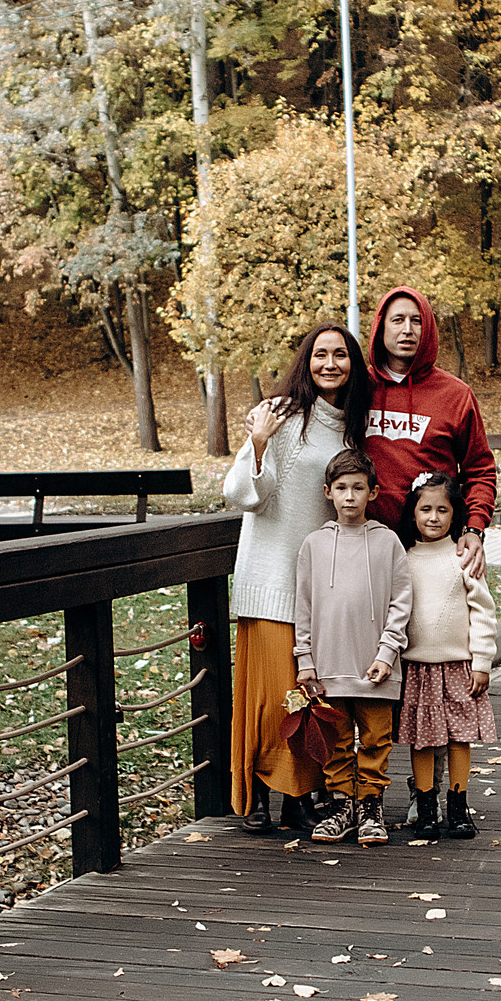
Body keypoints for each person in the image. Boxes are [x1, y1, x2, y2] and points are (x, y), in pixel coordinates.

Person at [221, 323, 369, 833]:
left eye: (341, 355)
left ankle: (299, 796)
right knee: (270, 697)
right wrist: (258, 444)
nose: (330, 364)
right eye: (320, 354)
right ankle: (259, 793)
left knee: (311, 696)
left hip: (322, 584)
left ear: (354, 364)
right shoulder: (281, 416)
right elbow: (243, 494)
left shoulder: (351, 426)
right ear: (306, 361)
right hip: (271, 579)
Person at [293, 449, 412, 846]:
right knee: (338, 740)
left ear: (373, 493)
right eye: (341, 488)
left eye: (358, 488)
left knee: (377, 737)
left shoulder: (388, 542)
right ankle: (342, 804)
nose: (349, 496)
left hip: (374, 665)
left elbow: (401, 602)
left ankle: (371, 806)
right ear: (328, 492)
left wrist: (387, 653)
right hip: (328, 665)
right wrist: (305, 660)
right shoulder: (313, 545)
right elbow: (303, 605)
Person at [362, 287, 500, 581]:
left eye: (417, 320)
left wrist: (474, 529)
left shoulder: (456, 395)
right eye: (397, 320)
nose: (407, 330)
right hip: (368, 551)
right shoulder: (358, 389)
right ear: (380, 326)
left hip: (435, 551)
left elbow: (480, 471)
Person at [395, 470, 496, 840]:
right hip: (417, 666)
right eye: (425, 509)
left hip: (459, 666)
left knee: (459, 736)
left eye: (442, 510)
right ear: (414, 513)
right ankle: (425, 804)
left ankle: (458, 805)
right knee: (422, 737)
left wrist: (482, 661)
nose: (433, 518)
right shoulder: (403, 558)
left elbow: (483, 612)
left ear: (455, 515)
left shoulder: (463, 557)